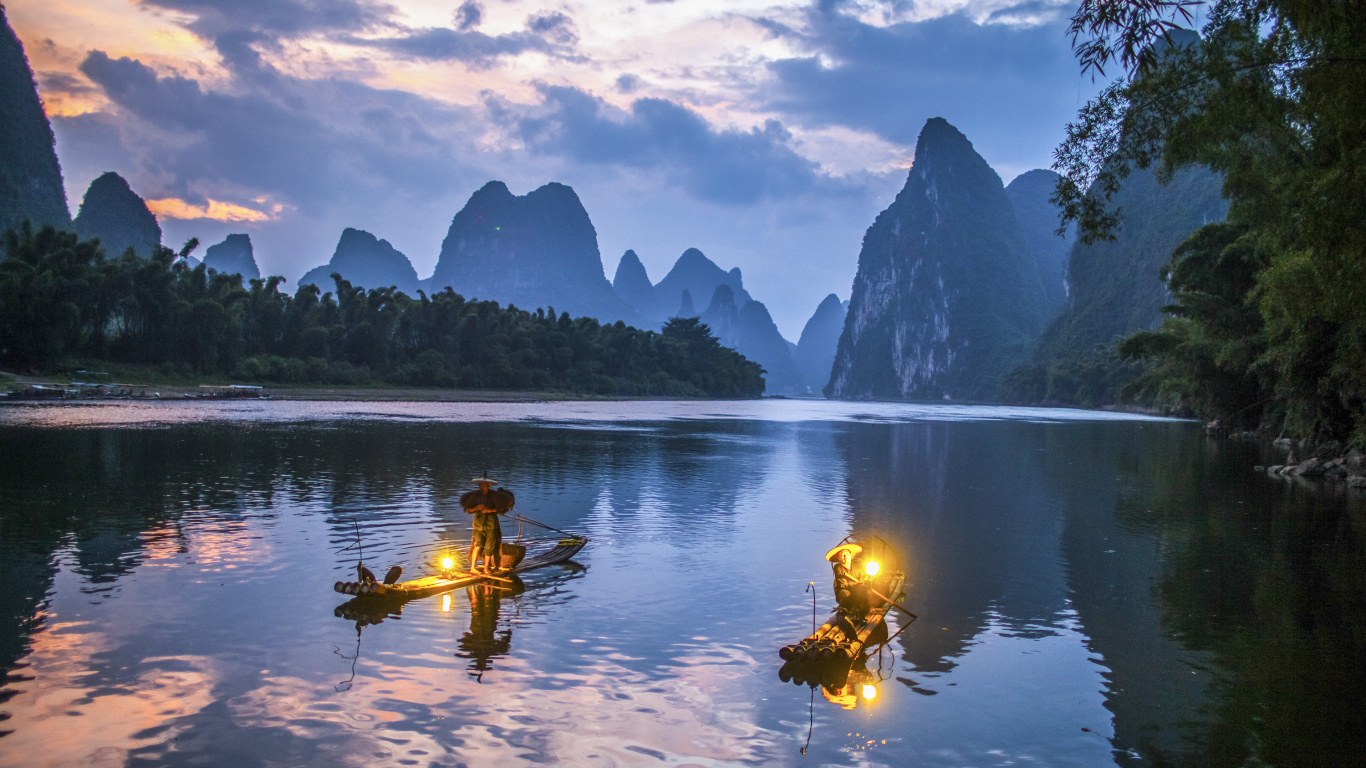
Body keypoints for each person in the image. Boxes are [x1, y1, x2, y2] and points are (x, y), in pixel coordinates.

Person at [460, 476, 515, 574]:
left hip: (491, 525)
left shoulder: (495, 497)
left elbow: (502, 509)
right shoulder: (475, 497)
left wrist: (489, 510)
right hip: (478, 526)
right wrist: (476, 508)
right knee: (477, 545)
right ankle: (472, 567)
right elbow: (468, 509)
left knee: (489, 547)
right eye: (480, 486)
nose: (482, 488)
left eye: (484, 486)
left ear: (488, 486)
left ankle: (486, 568)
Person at [826, 542, 870, 617]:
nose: (845, 556)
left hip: (857, 589)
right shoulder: (838, 568)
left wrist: (864, 582)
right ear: (839, 558)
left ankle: (862, 614)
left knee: (863, 592)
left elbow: (863, 577)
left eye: (846, 554)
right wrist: (855, 584)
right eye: (842, 555)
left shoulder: (857, 565)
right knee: (846, 594)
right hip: (844, 591)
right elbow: (843, 585)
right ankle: (844, 612)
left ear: (850, 556)